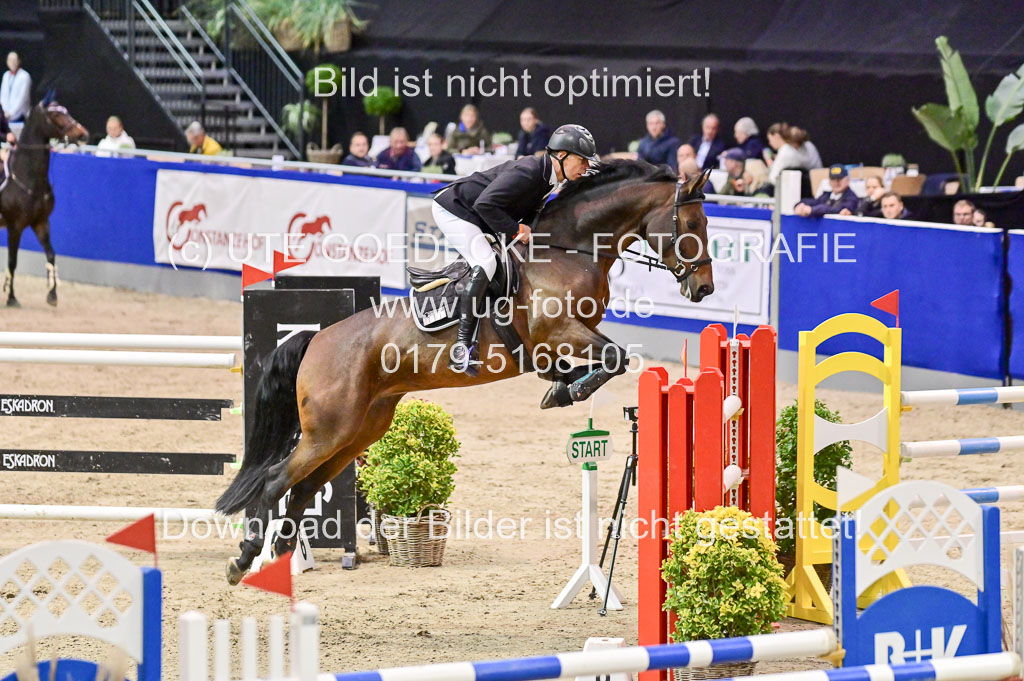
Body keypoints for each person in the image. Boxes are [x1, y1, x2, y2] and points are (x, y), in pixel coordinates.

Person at [432, 124, 598, 374]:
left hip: (479, 213)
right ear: (562, 155)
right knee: (486, 262)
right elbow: (485, 204)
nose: (585, 167)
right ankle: (462, 347)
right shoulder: (529, 172)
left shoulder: (550, 179)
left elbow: (527, 216)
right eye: (582, 160)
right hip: (455, 209)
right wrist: (516, 230)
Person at [766, 122, 822, 186]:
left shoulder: (786, 150)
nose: (770, 143)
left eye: (770, 140)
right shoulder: (809, 145)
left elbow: (773, 179)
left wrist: (769, 161)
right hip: (816, 182)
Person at [794, 165, 858, 217]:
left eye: (839, 179)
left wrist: (812, 210)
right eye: (833, 179)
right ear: (829, 181)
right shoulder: (826, 195)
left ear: (847, 180)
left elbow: (836, 209)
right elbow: (814, 202)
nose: (836, 183)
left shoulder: (852, 198)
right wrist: (800, 206)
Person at [0, 52, 31, 140]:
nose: (12, 62)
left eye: (14, 60)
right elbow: (3, 95)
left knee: (18, 139)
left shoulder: (25, 76)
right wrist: (4, 112)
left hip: (19, 116)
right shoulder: (6, 75)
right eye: (10, 60)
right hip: (5, 116)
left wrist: (11, 113)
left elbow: (22, 98)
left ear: (19, 61)